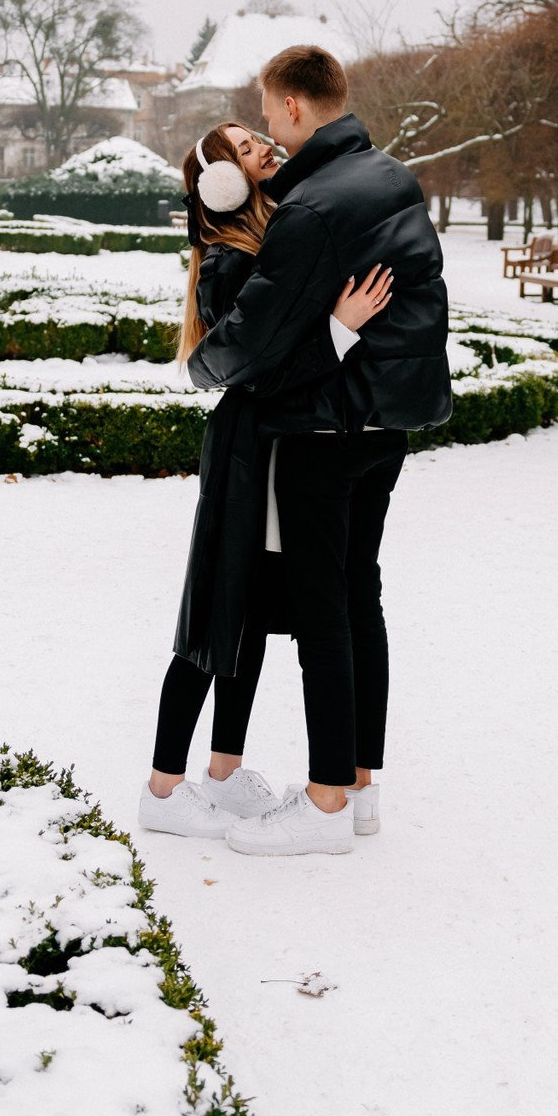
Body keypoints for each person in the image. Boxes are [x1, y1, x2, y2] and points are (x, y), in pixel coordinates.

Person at [187, 45, 452, 857]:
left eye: (268, 112)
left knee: (321, 612)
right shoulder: (392, 177)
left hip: (325, 433)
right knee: (359, 595)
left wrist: (203, 363)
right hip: (388, 429)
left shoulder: (315, 208)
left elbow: (248, 339)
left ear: (295, 106)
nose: (267, 127)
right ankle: (361, 785)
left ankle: (327, 799)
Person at [139, 120, 395, 839]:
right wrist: (339, 330)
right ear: (223, 182)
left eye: (259, 137)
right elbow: (257, 369)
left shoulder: (266, 240)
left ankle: (221, 773)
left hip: (273, 451)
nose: (266, 148)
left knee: (246, 613)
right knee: (215, 614)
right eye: (248, 149)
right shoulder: (228, 262)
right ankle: (162, 787)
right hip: (249, 455)